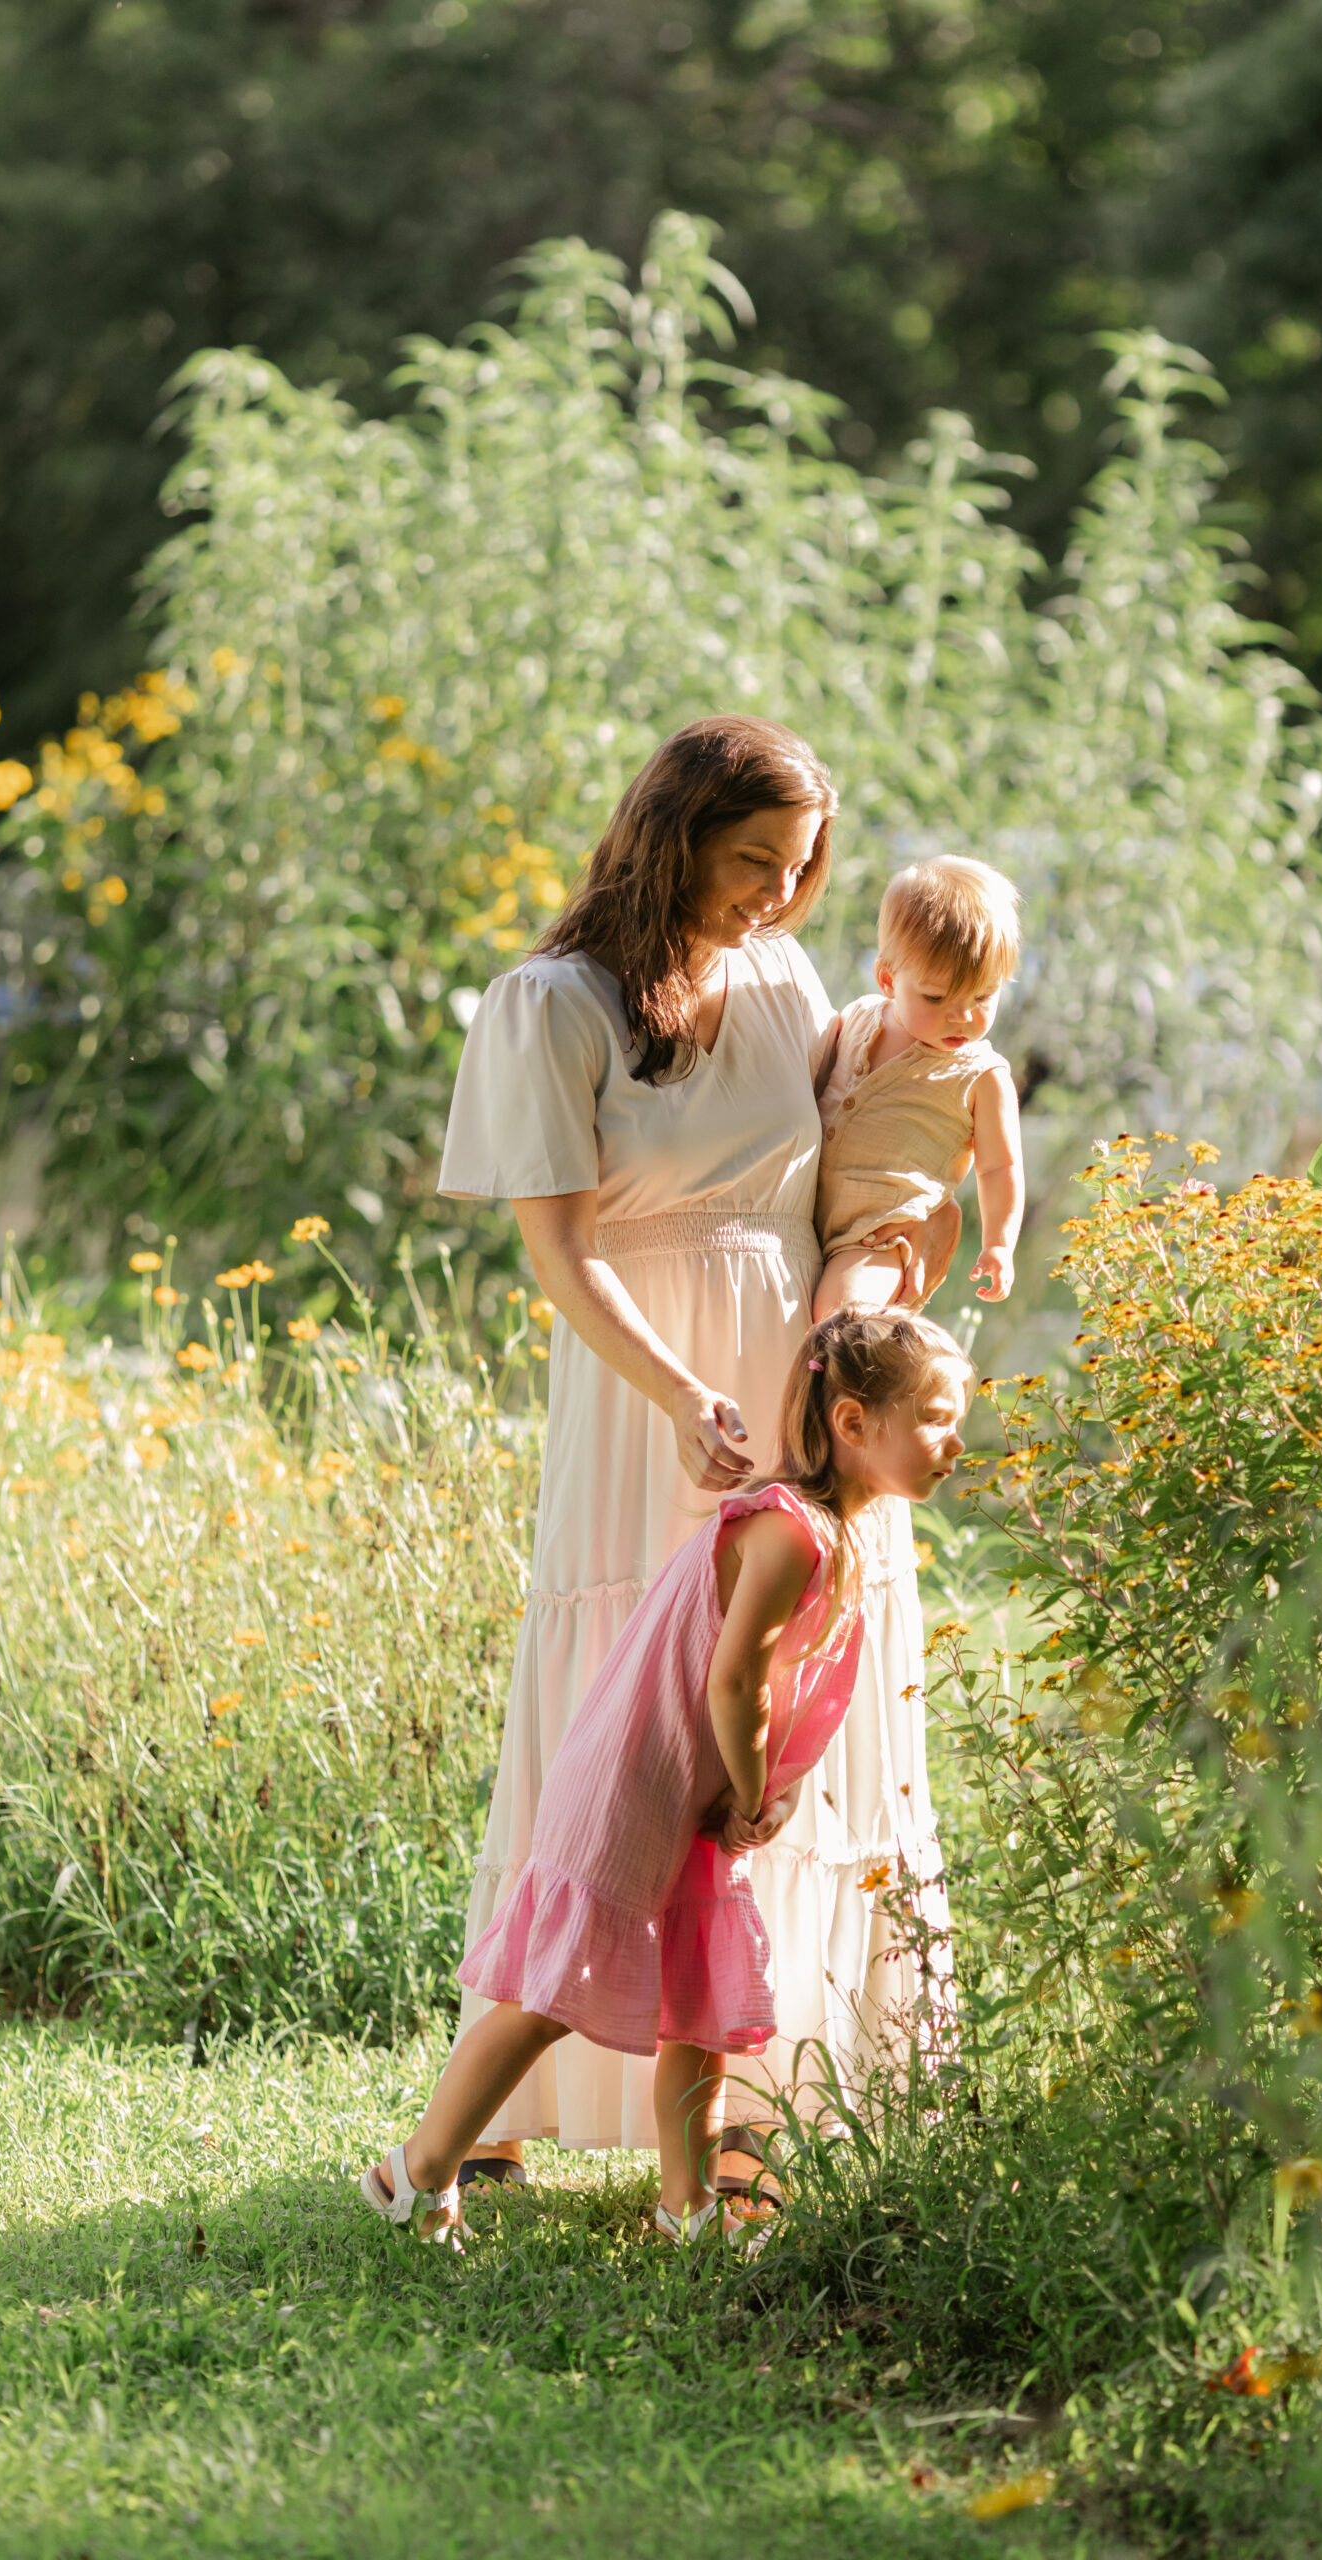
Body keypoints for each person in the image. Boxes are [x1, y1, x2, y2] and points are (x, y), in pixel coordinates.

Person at [436, 716, 960, 2199]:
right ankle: (516, 2104)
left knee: (801, 1698)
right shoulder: (555, 1004)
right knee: (635, 1706)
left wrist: (876, 1279)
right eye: (750, 863)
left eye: (798, 871)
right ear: (673, 833)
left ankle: (763, 2105)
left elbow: (854, 1168)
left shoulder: (786, 974)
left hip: (800, 1376)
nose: (774, 898)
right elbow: (558, 1252)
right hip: (645, 1386)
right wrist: (678, 1393)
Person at [360, 1314, 973, 2245]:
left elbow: (767, 1681)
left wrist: (757, 1783)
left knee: (699, 2006)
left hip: (681, 1790)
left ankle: (684, 2207)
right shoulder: (792, 1534)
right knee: (544, 1998)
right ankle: (417, 2171)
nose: (955, 1442)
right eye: (933, 1416)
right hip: (634, 1783)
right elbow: (733, 1679)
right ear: (852, 1423)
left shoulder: (830, 1533)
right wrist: (758, 1785)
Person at [814, 856, 1025, 1320]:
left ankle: (871, 1386)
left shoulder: (981, 1076)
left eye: (983, 997)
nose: (963, 1016)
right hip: (805, 1217)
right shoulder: (857, 1018)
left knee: (841, 1313)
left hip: (880, 1236)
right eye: (936, 997)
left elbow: (1000, 1168)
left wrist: (999, 1244)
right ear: (888, 978)